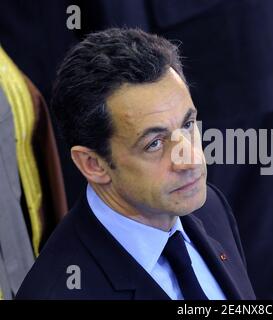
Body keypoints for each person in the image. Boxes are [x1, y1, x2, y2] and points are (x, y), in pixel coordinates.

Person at [16, 28, 255, 300]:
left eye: (188, 124)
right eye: (154, 143)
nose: (189, 160)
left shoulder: (210, 207)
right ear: (93, 164)